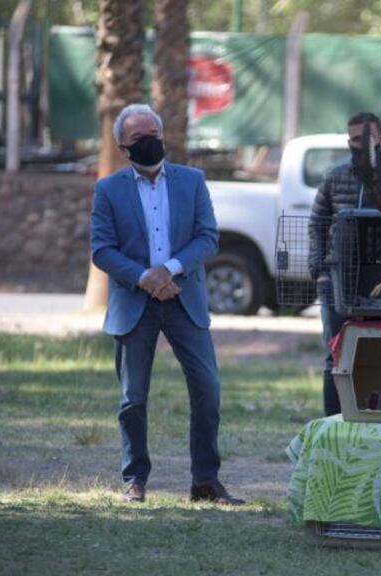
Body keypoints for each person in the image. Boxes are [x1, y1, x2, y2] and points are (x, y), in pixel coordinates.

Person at [90, 103, 243, 505]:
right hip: (134, 303)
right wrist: (145, 277)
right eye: (139, 139)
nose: (150, 143)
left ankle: (205, 481)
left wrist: (170, 270)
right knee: (133, 397)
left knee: (208, 389)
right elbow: (102, 250)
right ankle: (134, 479)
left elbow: (207, 237)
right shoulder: (109, 189)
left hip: (184, 299)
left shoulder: (192, 181)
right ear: (123, 147)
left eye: (154, 134)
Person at [308, 112, 381, 417]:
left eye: (369, 139)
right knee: (336, 355)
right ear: (349, 143)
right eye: (357, 139)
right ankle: (335, 424)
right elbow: (317, 222)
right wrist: (319, 268)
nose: (363, 144)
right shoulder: (334, 177)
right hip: (337, 280)